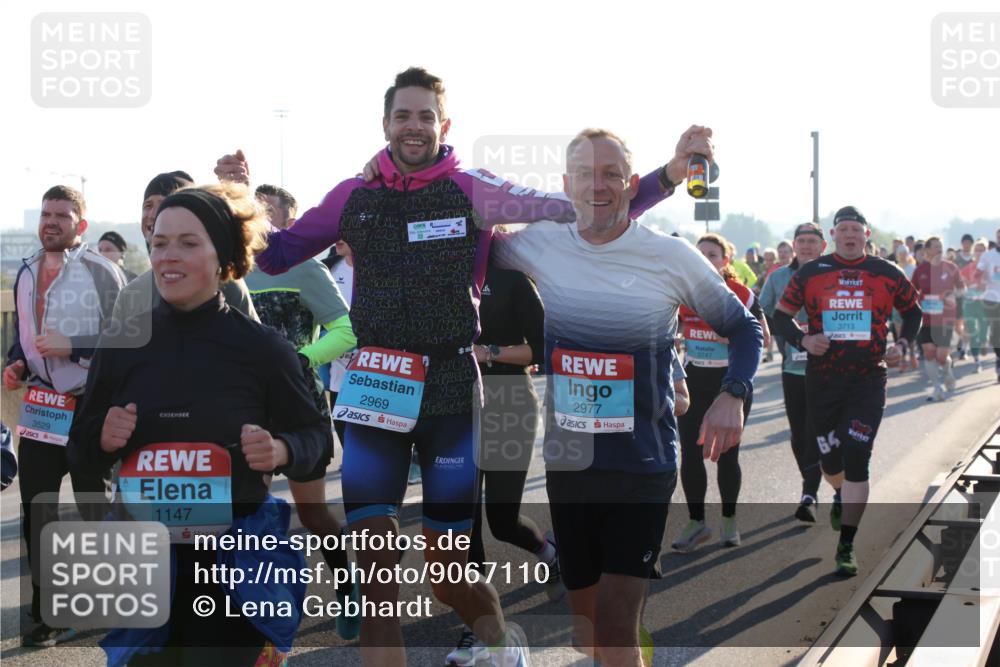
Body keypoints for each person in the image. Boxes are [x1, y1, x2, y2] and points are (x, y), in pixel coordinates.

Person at [246, 67, 679, 666]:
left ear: (444, 125)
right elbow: (273, 256)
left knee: (448, 574)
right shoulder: (352, 195)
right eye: (403, 115)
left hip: (450, 393)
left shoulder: (472, 189)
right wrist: (237, 200)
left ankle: (500, 642)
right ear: (385, 124)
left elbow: (584, 208)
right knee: (376, 577)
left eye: (425, 116)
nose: (414, 126)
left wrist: (667, 177)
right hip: (373, 388)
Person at [492, 128, 762, 665]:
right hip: (571, 462)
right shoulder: (538, 244)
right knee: (587, 634)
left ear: (631, 184)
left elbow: (744, 327)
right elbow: (467, 242)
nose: (599, 185)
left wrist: (732, 394)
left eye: (611, 174)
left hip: (642, 462)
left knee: (615, 624)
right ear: (566, 184)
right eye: (586, 174)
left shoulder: (669, 255)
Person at [69, 182, 332, 666]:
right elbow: (80, 449)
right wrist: (102, 439)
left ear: (223, 256)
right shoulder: (121, 344)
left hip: (235, 570)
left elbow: (315, 438)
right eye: (160, 243)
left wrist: (281, 450)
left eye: (188, 243)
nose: (168, 256)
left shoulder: (263, 349)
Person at [232, 179, 361, 639]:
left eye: (269, 211)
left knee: (312, 515)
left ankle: (348, 587)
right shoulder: (231, 269)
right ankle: (260, 612)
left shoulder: (306, 268)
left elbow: (347, 331)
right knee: (252, 512)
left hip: (299, 404)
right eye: (254, 210)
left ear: (290, 220)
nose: (260, 219)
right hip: (246, 407)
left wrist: (299, 359)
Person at [3, 185, 126, 646]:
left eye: (61, 215)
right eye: (45, 214)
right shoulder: (27, 269)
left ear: (81, 224)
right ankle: (47, 612)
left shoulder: (102, 270)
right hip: (41, 407)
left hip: (89, 408)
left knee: (96, 510)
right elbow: (25, 334)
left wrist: (73, 346)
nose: (51, 222)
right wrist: (17, 362)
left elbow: (125, 340)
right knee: (38, 509)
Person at [773, 206, 922, 576]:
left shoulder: (887, 272)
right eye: (844, 229)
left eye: (857, 229)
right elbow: (780, 317)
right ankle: (839, 493)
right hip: (822, 380)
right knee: (831, 463)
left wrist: (903, 344)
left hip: (868, 379)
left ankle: (846, 544)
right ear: (833, 235)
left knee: (857, 455)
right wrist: (804, 340)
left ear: (867, 235)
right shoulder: (811, 272)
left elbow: (914, 313)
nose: (851, 235)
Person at [448, 257, 560, 666]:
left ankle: (551, 555)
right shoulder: (439, 269)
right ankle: (480, 625)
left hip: (508, 402)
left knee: (502, 518)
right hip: (453, 406)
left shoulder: (511, 278)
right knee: (465, 522)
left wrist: (488, 353)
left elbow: (544, 348)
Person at [673, 233, 768, 551]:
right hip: (694, 379)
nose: (705, 259)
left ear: (726, 260)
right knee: (690, 453)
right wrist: (678, 335)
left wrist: (726, 337)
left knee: (727, 456)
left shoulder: (739, 293)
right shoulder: (685, 290)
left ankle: (729, 520)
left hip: (730, 384)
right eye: (700, 254)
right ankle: (696, 522)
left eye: (712, 255)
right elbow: (675, 324)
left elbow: (763, 337)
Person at [110, 172, 259, 335]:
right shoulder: (131, 295)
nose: (153, 214)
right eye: (148, 205)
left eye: (189, 243)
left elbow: (251, 339)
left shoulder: (228, 286)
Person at [759, 222, 827, 522]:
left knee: (818, 431)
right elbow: (762, 311)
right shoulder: (777, 277)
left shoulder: (834, 274)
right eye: (802, 241)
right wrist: (787, 332)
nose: (807, 246)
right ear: (794, 245)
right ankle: (810, 487)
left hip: (829, 369)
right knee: (799, 434)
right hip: (793, 367)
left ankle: (810, 494)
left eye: (813, 241)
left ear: (823, 246)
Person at [911, 236, 964, 401]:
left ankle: (947, 371)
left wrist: (952, 297)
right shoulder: (920, 270)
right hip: (926, 318)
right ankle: (937, 388)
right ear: (927, 251)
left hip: (945, 318)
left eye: (940, 246)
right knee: (929, 353)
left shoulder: (951, 267)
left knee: (941, 356)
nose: (939, 249)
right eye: (935, 246)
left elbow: (962, 289)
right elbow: (912, 292)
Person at [960, 238, 990, 372]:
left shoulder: (990, 267)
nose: (979, 253)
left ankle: (984, 341)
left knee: (983, 328)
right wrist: (966, 284)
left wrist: (986, 285)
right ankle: (977, 362)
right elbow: (961, 281)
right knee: (972, 331)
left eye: (982, 250)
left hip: (985, 303)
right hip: (970, 302)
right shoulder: (969, 267)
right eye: (977, 250)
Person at [977, 228, 1000, 382]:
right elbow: (978, 272)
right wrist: (980, 280)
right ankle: (999, 359)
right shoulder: (988, 255)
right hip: (991, 298)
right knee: (996, 331)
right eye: (999, 237)